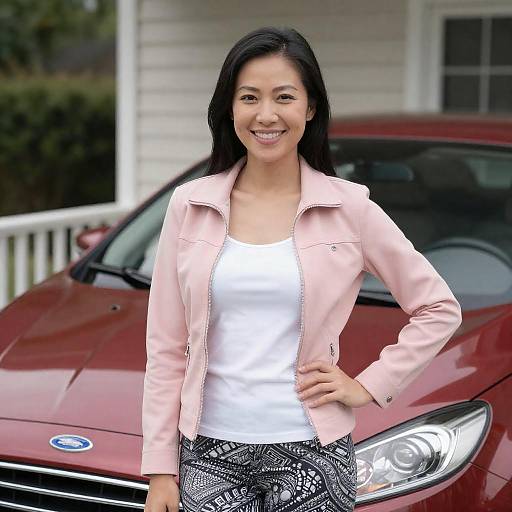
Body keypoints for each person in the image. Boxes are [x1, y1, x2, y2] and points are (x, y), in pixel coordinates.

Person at [141, 27, 463, 512]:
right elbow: (166, 350)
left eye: (284, 97)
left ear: (310, 108)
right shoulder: (190, 206)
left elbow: (438, 307)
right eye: (249, 97)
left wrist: (369, 384)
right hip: (207, 453)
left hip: (312, 450)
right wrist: (161, 471)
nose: (265, 115)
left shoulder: (349, 207)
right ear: (230, 108)